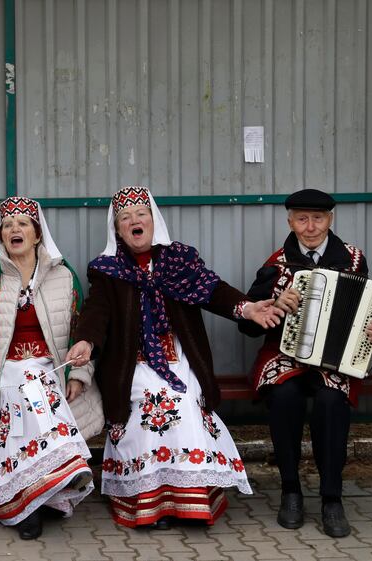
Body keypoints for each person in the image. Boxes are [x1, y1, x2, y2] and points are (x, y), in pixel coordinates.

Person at [66, 186, 281, 529]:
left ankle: (189, 501)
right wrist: (86, 342)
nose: (134, 221)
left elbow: (213, 290)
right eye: (125, 217)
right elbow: (97, 312)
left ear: (154, 221)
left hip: (178, 355)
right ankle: (150, 502)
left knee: (183, 401)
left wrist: (247, 307)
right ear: (118, 229)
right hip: (132, 361)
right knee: (153, 402)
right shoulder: (107, 270)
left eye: (141, 214)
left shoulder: (179, 260)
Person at [239, 188, 372, 538]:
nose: (311, 227)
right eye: (302, 219)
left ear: (330, 219)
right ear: (290, 221)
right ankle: (291, 491)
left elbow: (371, 309)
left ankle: (332, 498)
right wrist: (272, 304)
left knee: (331, 401)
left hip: (335, 359)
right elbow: (246, 323)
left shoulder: (353, 259)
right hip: (284, 355)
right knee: (285, 398)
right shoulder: (276, 264)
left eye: (318, 218)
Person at [0, 196, 104, 539]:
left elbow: (83, 332)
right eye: (7, 225)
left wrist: (79, 375)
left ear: (37, 234)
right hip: (3, 370)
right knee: (22, 398)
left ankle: (47, 496)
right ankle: (24, 504)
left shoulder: (62, 275)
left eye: (23, 224)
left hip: (52, 368)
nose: (14, 230)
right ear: (1, 235)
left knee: (40, 393)